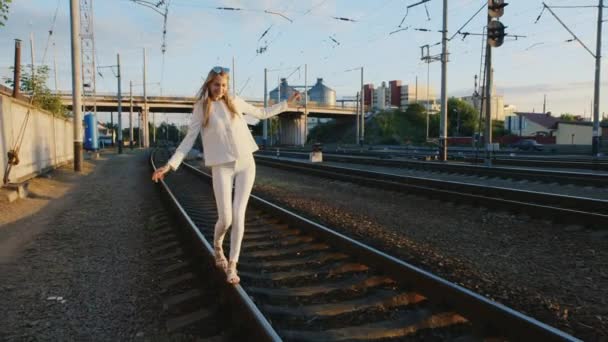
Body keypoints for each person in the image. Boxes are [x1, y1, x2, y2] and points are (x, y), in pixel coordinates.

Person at [151, 66, 301, 284]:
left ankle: (232, 265)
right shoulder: (201, 108)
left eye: (223, 85)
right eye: (216, 84)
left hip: (246, 162)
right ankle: (218, 244)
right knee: (226, 218)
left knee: (239, 215)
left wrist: (286, 104)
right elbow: (188, 140)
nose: (220, 88)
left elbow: (261, 113)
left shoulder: (235, 102)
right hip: (221, 166)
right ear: (208, 85)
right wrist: (170, 165)